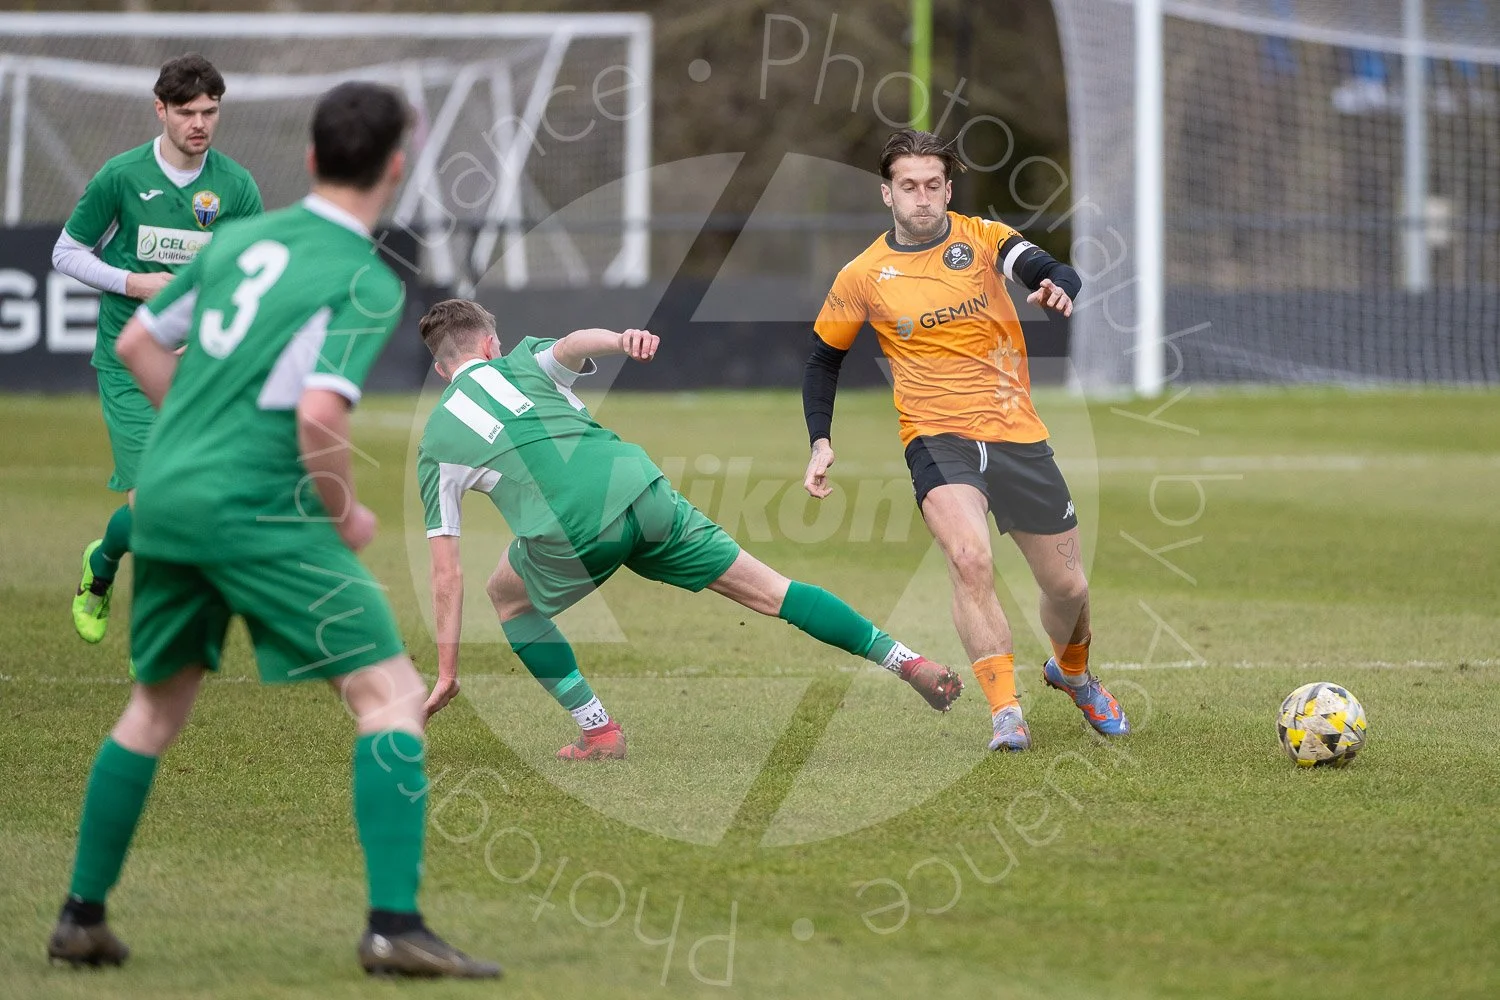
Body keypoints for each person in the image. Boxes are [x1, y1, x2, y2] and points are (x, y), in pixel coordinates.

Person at [45, 82, 499, 979]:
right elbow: (316, 418)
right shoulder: (362, 278)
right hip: (258, 509)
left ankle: (80, 916)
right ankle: (394, 925)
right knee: (392, 697)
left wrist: (193, 443)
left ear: (308, 160)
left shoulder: (245, 237)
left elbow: (139, 346)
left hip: (169, 499)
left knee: (153, 708)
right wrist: (346, 512)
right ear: (396, 167)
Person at [414, 299, 964, 757]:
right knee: (774, 591)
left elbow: (445, 575)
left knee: (506, 598)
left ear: (442, 370)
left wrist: (446, 670)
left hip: (573, 531)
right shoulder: (523, 359)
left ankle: (599, 730)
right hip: (640, 486)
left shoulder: (437, 441)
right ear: (491, 344)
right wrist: (620, 338)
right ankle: (907, 660)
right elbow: (573, 343)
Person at [801, 128, 1130, 753]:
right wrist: (820, 439)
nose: (922, 198)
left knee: (1069, 589)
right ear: (887, 194)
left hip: (1017, 433)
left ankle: (1074, 672)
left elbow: (1041, 265)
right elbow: (822, 360)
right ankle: (1005, 709)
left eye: (932, 186)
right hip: (935, 437)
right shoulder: (863, 275)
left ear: (948, 190)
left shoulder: (981, 239)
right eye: (908, 187)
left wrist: (1060, 283)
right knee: (969, 559)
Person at [56, 53, 264, 647]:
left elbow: (247, 272)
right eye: (187, 112)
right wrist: (133, 282)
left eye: (211, 111)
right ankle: (130, 610)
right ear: (161, 110)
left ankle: (106, 558)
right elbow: (66, 252)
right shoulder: (121, 176)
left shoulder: (235, 185)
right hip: (129, 362)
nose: (200, 123)